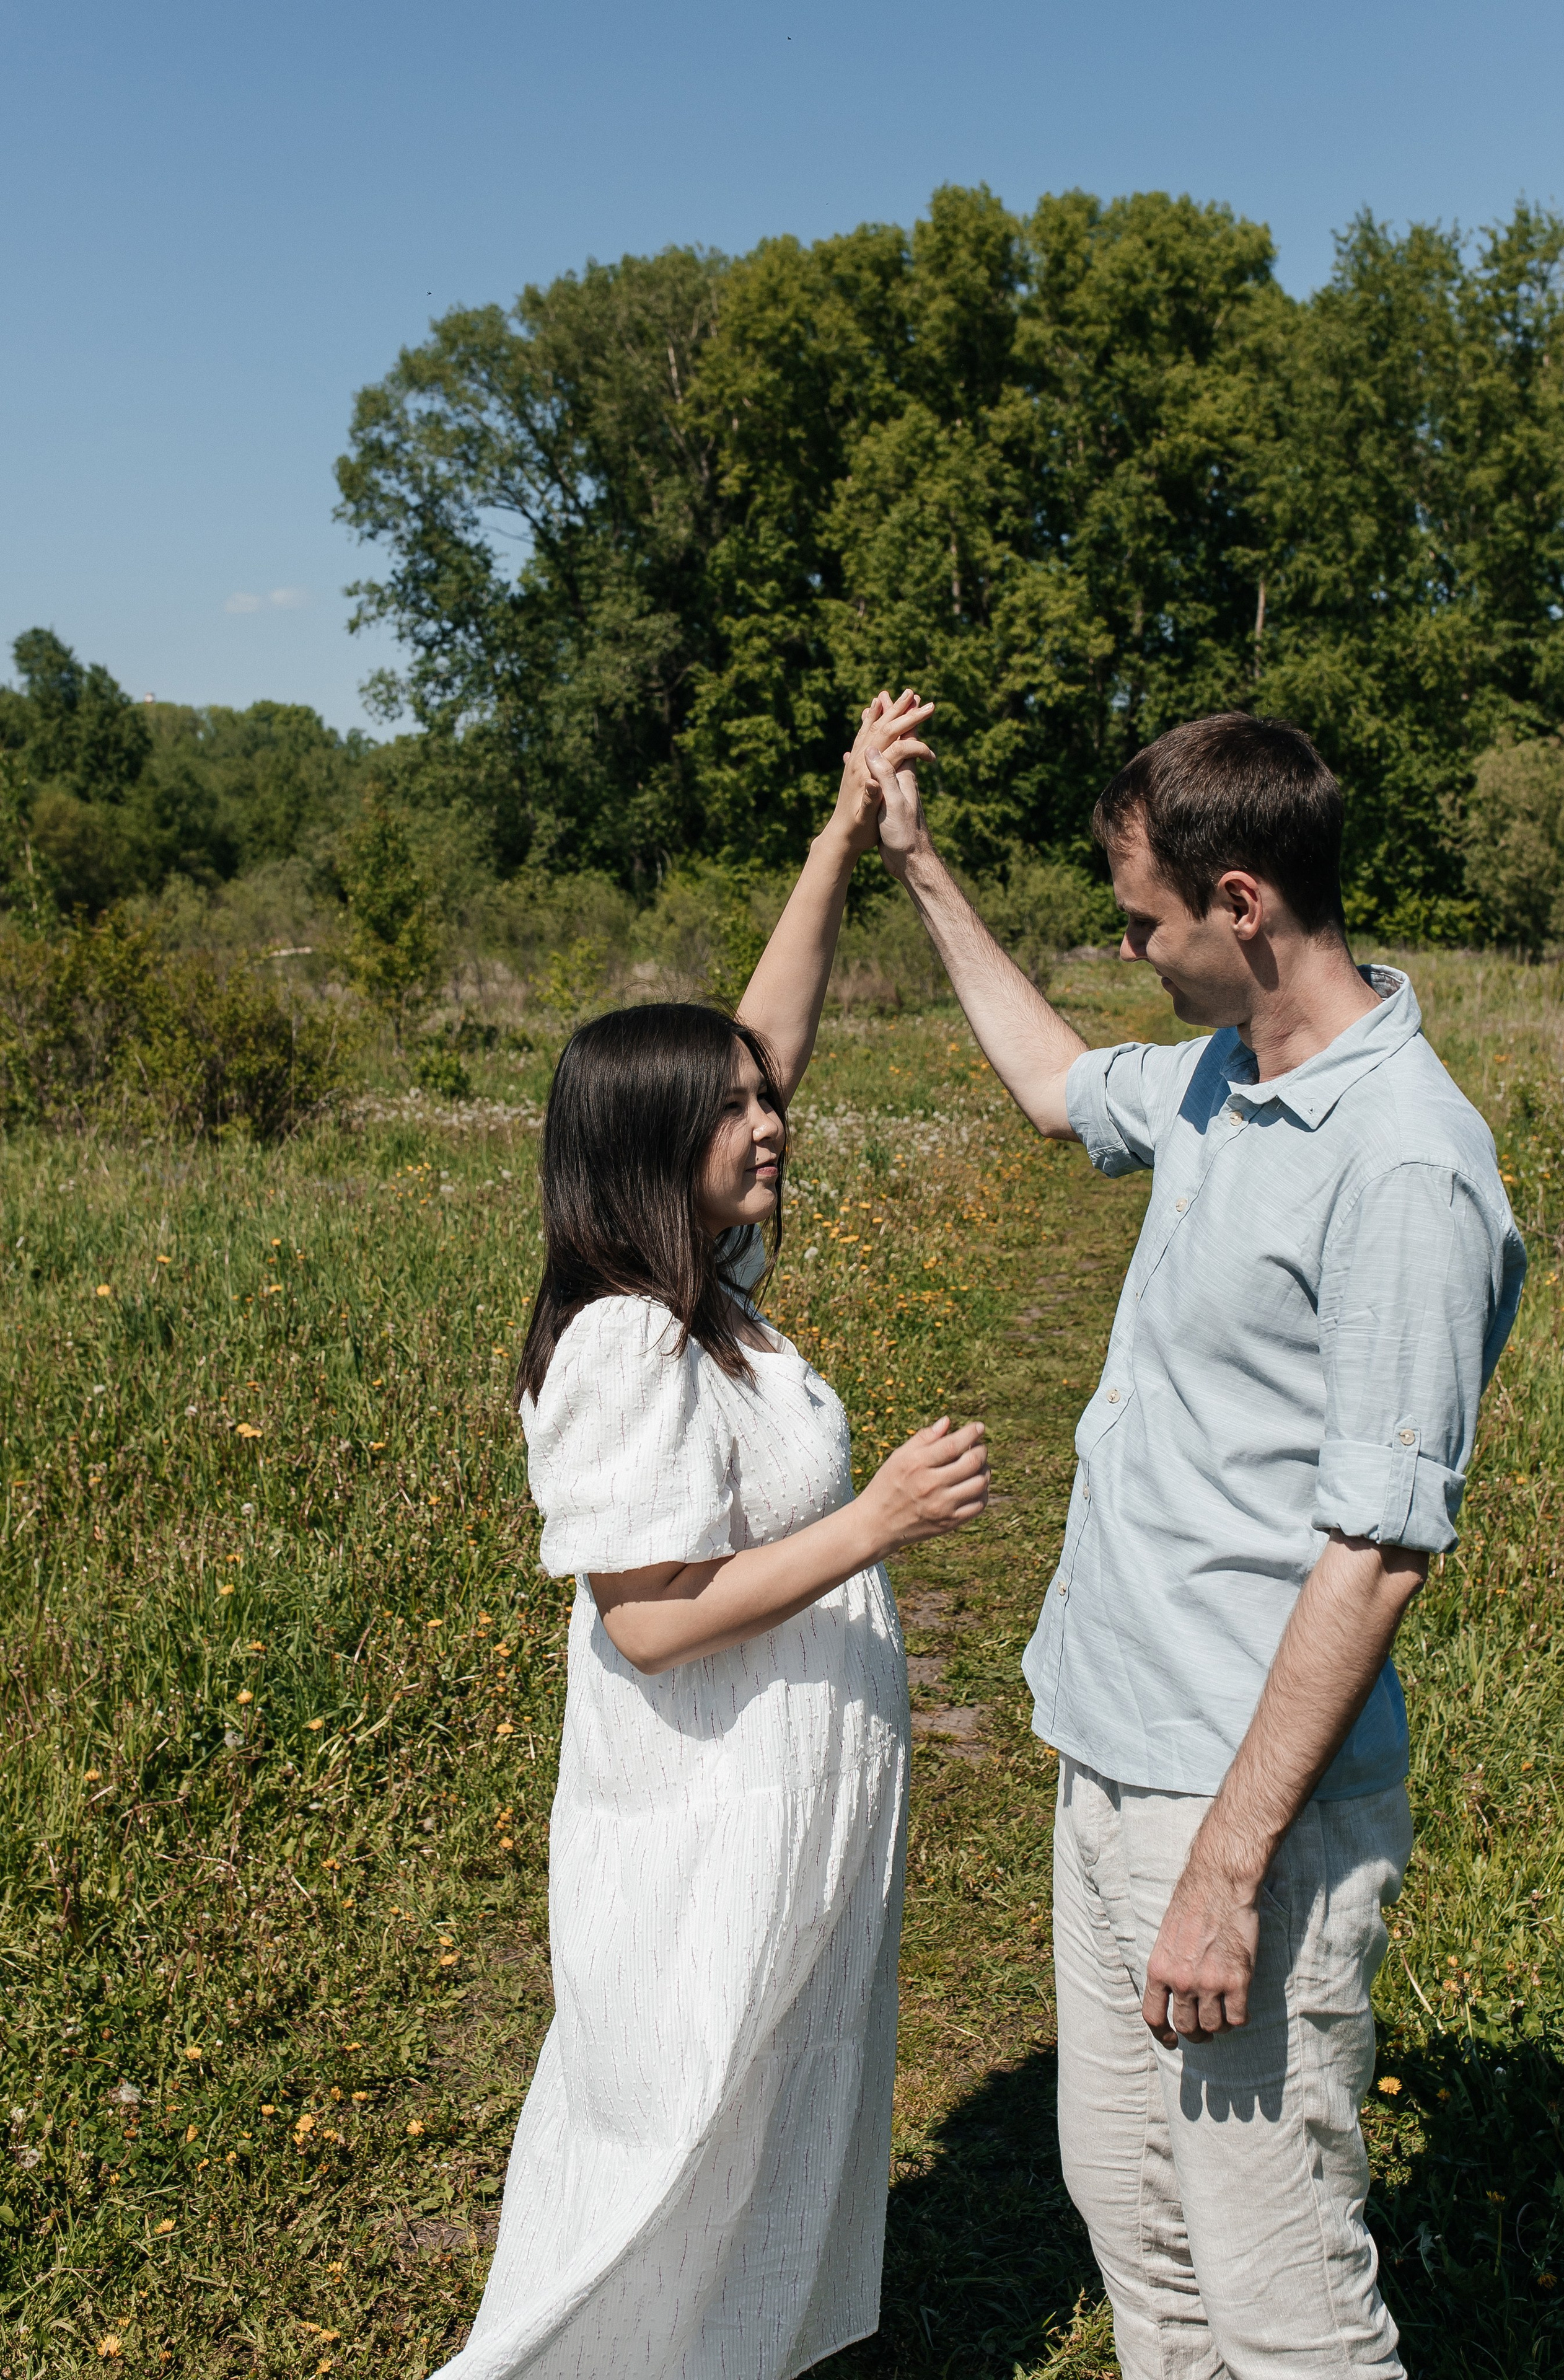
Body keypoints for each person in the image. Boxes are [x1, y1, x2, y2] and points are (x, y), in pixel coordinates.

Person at [860, 710, 1524, 2378]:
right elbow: (1051, 1086)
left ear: (1243, 906)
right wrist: (919, 867)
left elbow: (1376, 1553)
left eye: (1143, 920)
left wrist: (1228, 1879)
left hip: (1250, 1808)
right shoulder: (1230, 1082)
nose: (1129, 950)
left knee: (1278, 2292)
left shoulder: (1405, 1167)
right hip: (1118, 1747)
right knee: (1141, 2231)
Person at [436, 694, 990, 2380]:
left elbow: (769, 1030)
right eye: (733, 1110)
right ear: (646, 1149)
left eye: (764, 1100)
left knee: (776, 2097)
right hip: (703, 1799)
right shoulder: (622, 1340)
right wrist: (881, 1520)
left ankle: (737, 2353)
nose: (772, 1120)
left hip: (793, 1779)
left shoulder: (707, 1293)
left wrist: (841, 836)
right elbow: (653, 1619)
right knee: (670, 2121)